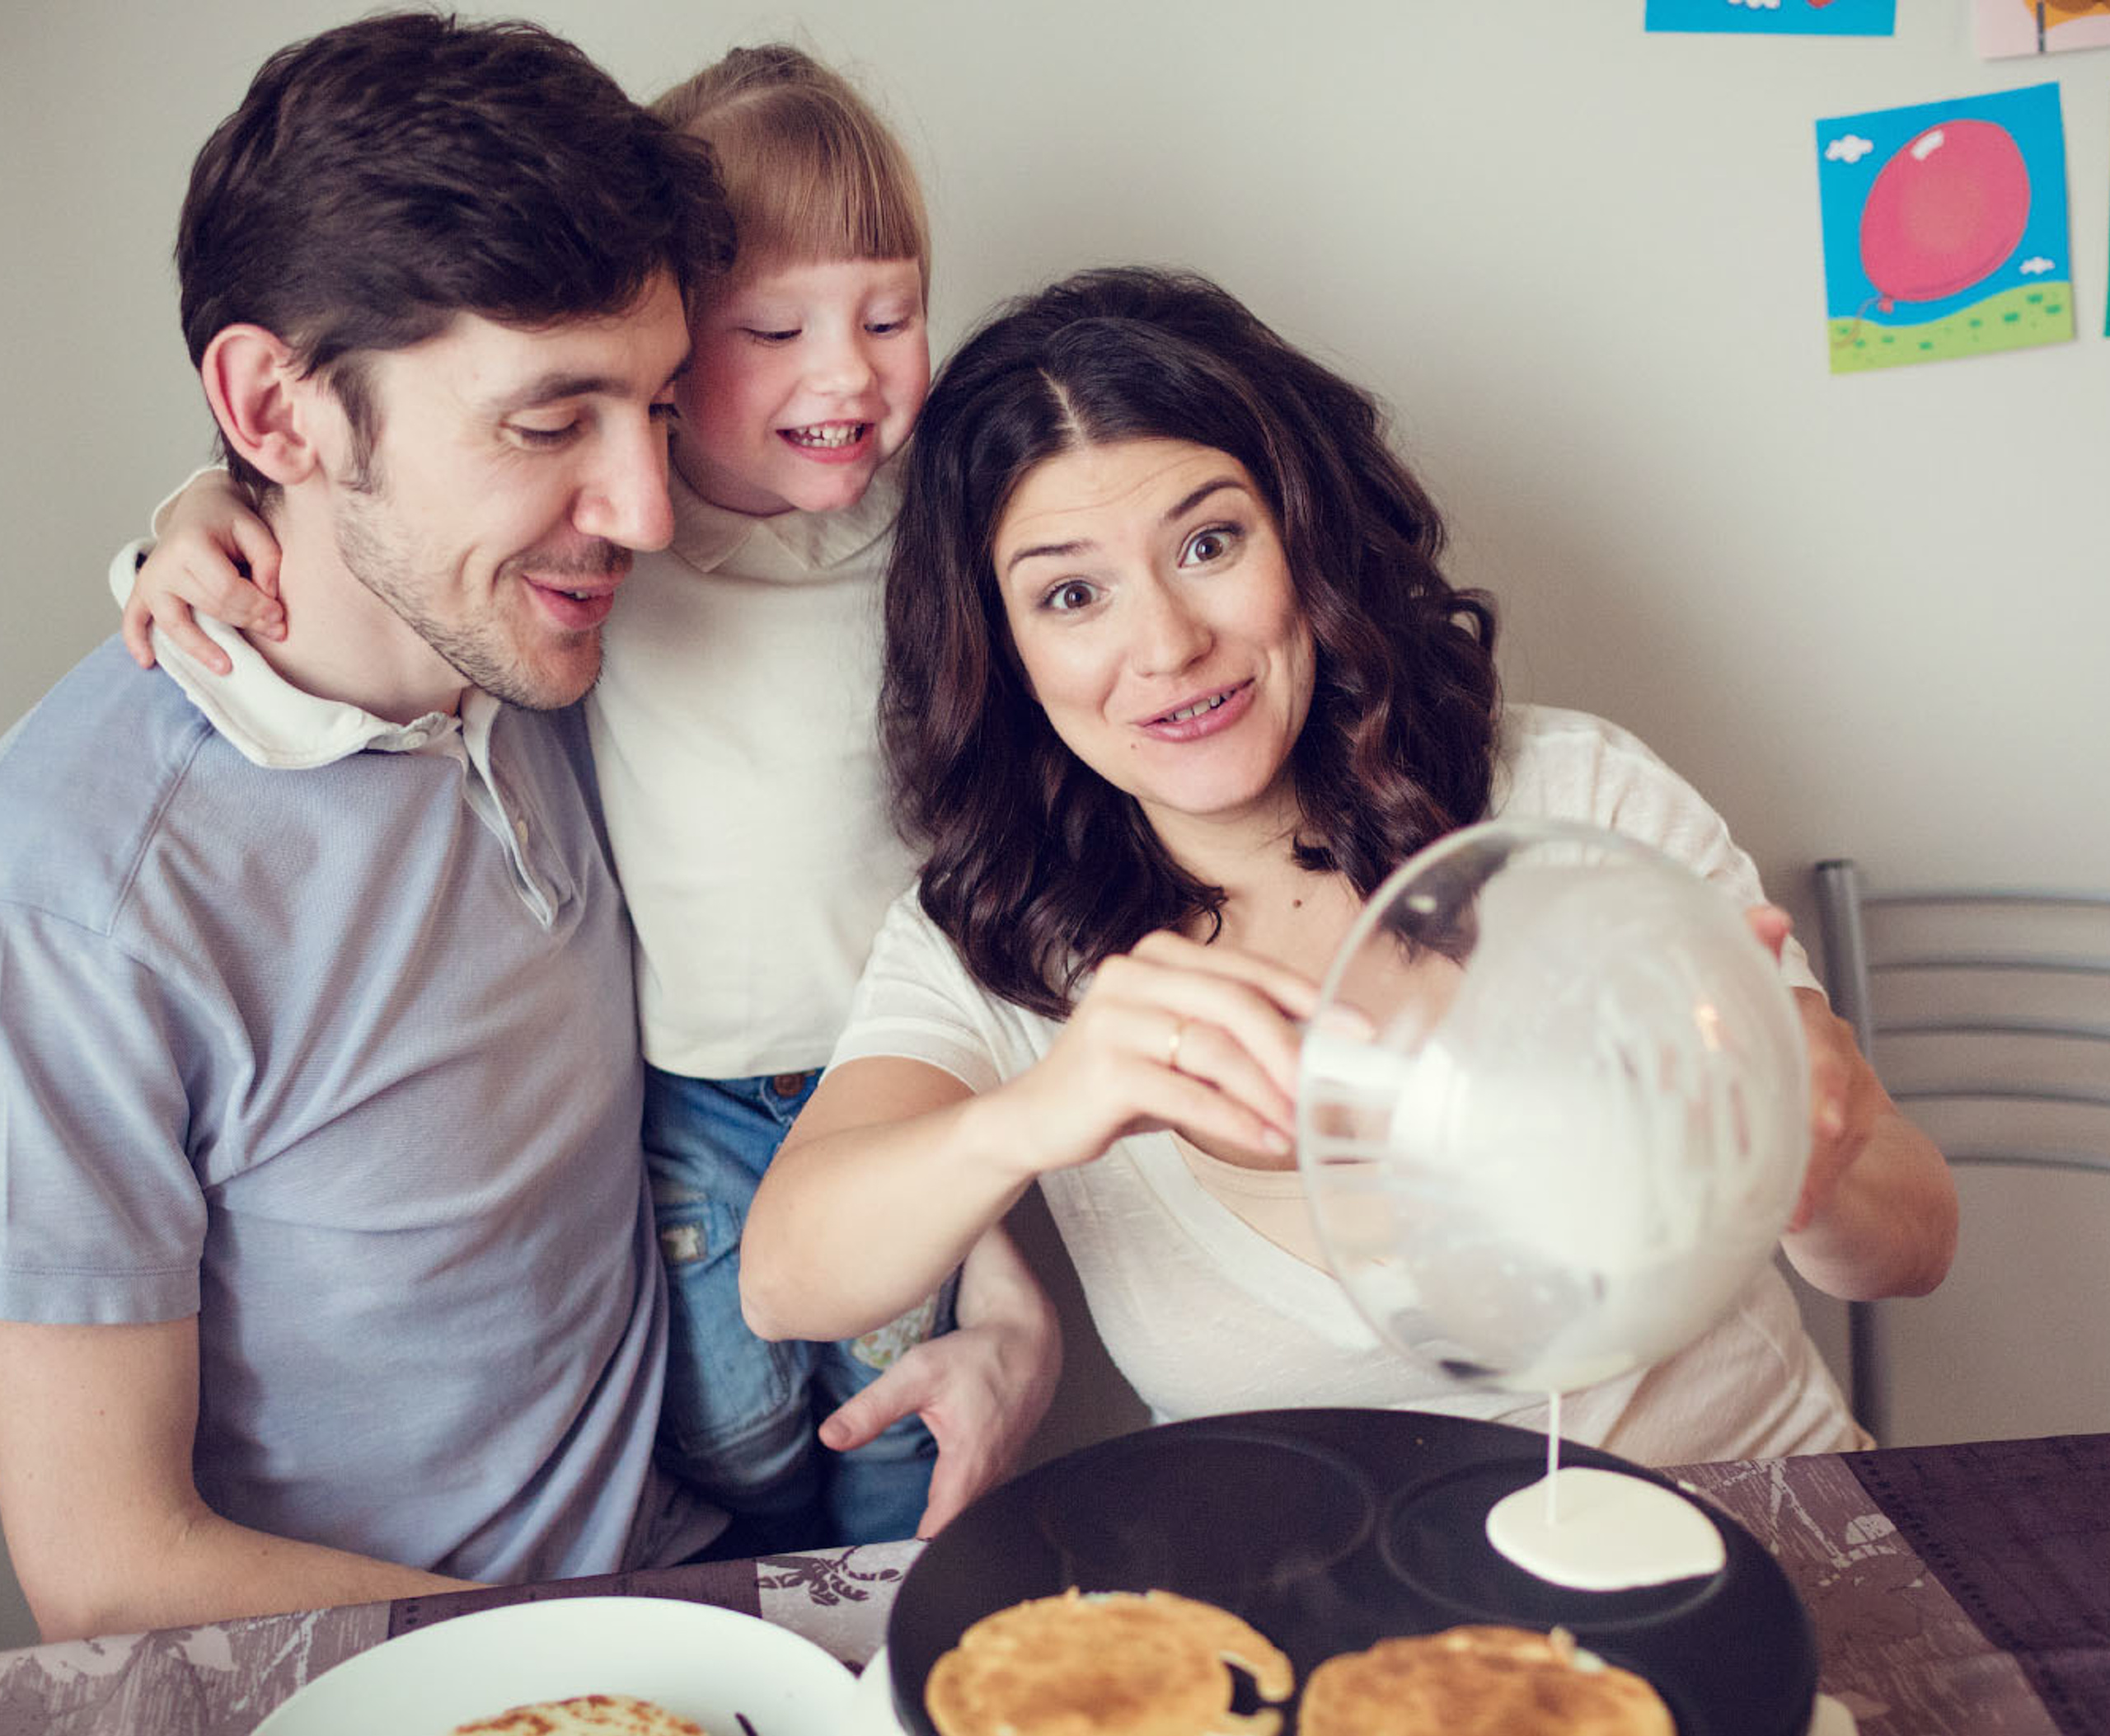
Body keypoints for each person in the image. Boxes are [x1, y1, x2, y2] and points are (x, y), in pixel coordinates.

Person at [739, 266, 1958, 1484]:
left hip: (1761, 1531)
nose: (1167, 645)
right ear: (1001, 649)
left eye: (1209, 543)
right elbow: (785, 1280)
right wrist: (1037, 1113)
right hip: (1327, 1599)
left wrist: (1806, 1161)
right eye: (1071, 594)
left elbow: (1915, 1246)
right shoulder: (992, 940)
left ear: (1304, 536)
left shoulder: (1577, 799)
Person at [116, 46, 1061, 1555]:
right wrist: (194, 511)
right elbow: (349, 512)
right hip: (699, 1100)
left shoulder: (909, 536)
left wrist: (1001, 1232)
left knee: (899, 1439)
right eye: (776, 331)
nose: (636, 509)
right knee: (740, 1420)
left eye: (891, 318)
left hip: (898, 1078)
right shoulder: (594, 574)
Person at [0, 14, 734, 1642]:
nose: (645, 512)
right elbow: (107, 1566)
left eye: (658, 408)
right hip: (411, 1693)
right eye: (548, 423)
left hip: (710, 1557)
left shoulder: (552, 653)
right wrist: (614, 1665)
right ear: (277, 410)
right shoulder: (75, 892)